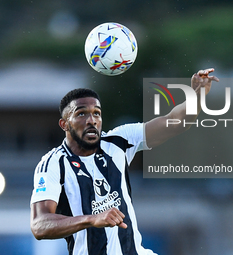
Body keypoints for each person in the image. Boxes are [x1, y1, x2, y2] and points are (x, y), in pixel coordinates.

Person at [30, 68, 219, 255]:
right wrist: (91, 219)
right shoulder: (53, 165)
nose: (92, 120)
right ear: (64, 124)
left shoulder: (118, 142)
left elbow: (174, 122)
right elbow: (39, 225)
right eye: (81, 114)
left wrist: (198, 94)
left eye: (97, 113)